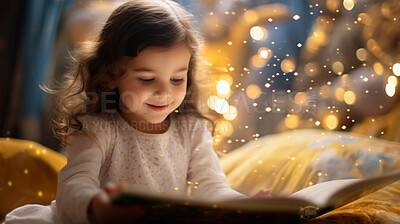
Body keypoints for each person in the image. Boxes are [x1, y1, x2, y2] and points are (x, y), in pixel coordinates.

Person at [5, 1, 270, 223]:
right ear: (110, 75)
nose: (164, 92)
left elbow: (212, 187)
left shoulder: (191, 129)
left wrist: (246, 207)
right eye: (146, 79)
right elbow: (74, 185)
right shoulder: (98, 128)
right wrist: (97, 206)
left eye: (177, 79)